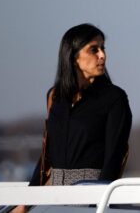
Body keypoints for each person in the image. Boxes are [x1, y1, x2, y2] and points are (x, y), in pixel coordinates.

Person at [12, 23, 132, 212]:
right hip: (53, 197)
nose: (102, 55)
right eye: (94, 49)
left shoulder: (115, 98)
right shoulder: (54, 97)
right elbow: (47, 157)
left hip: (94, 196)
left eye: (103, 48)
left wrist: (97, 204)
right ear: (73, 56)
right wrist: (26, 202)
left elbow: (114, 158)